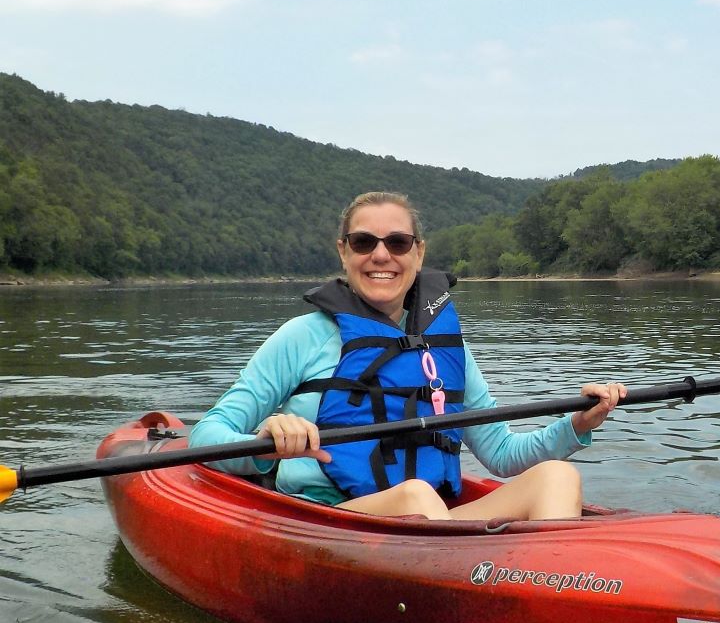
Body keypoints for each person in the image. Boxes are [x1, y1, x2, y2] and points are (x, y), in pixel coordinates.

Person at [190, 191, 625, 521]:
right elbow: (206, 439)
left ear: (418, 252)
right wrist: (269, 441)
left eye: (397, 242)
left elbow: (504, 454)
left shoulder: (445, 346)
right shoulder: (302, 337)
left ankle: (546, 602)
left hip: (430, 525)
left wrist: (578, 423)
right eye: (364, 242)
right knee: (414, 495)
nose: (381, 255)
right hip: (334, 521)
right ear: (344, 251)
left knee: (557, 477)